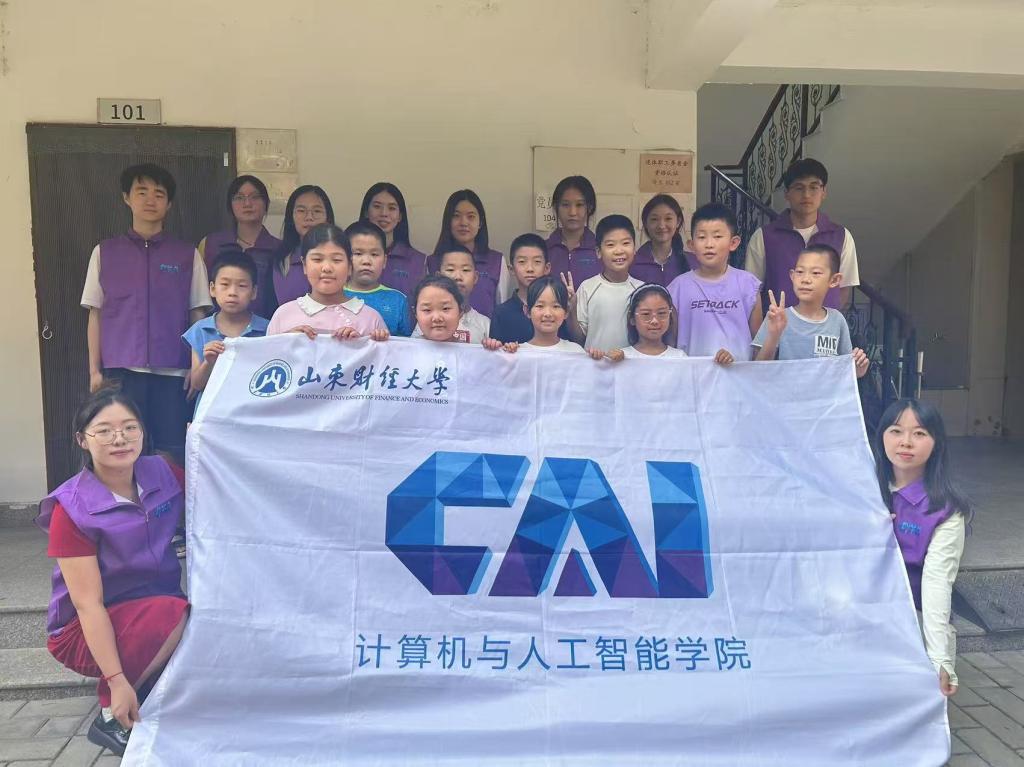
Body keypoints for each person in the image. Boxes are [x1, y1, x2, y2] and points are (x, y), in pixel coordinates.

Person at [37, 387, 189, 757]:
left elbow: (218, 494)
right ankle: (110, 713)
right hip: (82, 629)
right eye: (104, 431)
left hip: (154, 608)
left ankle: (142, 692)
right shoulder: (71, 510)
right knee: (175, 615)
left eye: (129, 427)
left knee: (192, 618)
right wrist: (116, 681)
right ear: (82, 440)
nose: (119, 438)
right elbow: (88, 605)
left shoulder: (164, 472)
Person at [80, 163, 211, 464]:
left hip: (174, 372)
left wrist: (196, 366)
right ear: (126, 198)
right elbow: (95, 314)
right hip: (121, 372)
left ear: (169, 204)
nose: (150, 200)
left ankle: (167, 497)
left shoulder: (187, 254)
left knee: (171, 450)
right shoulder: (105, 252)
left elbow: (198, 315)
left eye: (159, 194)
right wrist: (94, 371)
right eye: (141, 192)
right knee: (123, 447)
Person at [874, 398, 971, 697]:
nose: (906, 442)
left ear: (936, 442)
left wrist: (940, 658)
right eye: (896, 431)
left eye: (919, 433)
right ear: (881, 436)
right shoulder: (862, 491)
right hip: (862, 617)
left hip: (913, 620)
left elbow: (936, 583)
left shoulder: (944, 509)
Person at [744, 158, 860, 309]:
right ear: (787, 193)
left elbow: (844, 287)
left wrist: (827, 318)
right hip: (778, 323)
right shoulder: (763, 237)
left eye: (814, 187)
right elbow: (752, 291)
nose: (806, 194)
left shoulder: (841, 236)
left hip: (824, 323)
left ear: (823, 192)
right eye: (799, 188)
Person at [752, 244, 870, 377]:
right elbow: (757, 371)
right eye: (800, 272)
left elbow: (844, 370)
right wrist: (774, 335)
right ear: (792, 276)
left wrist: (858, 370)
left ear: (834, 280)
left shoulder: (837, 320)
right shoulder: (777, 317)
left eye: (816, 273)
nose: (805, 280)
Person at [667, 203, 761, 361]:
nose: (709, 244)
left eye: (717, 237)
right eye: (701, 237)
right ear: (691, 245)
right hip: (693, 373)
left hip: (738, 373)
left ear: (733, 243)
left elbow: (758, 344)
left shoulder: (748, 285)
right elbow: (670, 344)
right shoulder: (677, 288)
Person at [267, 224, 388, 340]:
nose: (327, 268)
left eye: (336, 260)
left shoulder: (371, 319)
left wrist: (362, 344)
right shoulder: (283, 315)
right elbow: (269, 353)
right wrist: (286, 341)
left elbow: (383, 353)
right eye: (317, 259)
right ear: (304, 265)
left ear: (350, 266)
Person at [182, 250, 270, 409]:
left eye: (242, 286)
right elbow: (196, 384)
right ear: (212, 289)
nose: (232, 293)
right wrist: (209, 362)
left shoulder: (267, 330)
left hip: (254, 412)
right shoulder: (200, 330)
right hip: (212, 415)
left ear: (254, 292)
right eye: (225, 284)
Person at [197, 175, 281, 318]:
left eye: (255, 197)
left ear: (266, 204)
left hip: (266, 327)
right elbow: (200, 296)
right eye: (239, 198)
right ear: (230, 205)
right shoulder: (210, 244)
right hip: (218, 327)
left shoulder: (279, 249)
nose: (247, 203)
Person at [483, 276, 615, 360]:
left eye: (556, 306)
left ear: (566, 312)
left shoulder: (576, 352)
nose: (548, 313)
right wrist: (499, 353)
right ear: (527, 311)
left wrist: (597, 361)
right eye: (540, 306)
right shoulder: (517, 352)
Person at [567, 214, 643, 354]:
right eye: (610, 245)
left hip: (630, 365)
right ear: (598, 252)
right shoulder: (587, 288)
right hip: (594, 364)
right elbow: (578, 339)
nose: (619, 251)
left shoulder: (641, 290)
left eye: (626, 243)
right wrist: (571, 310)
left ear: (634, 249)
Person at [429, 190, 509, 317]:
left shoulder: (497, 261)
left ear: (480, 222)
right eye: (456, 216)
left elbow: (502, 308)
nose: (463, 223)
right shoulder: (431, 262)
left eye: (471, 216)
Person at [489, 233, 562, 344]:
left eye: (537, 262)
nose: (530, 269)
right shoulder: (501, 313)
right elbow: (496, 352)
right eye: (522, 262)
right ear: (512, 269)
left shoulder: (556, 310)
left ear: (547, 268)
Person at [344, 220, 413, 337]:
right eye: (358, 253)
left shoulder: (397, 300)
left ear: (385, 261)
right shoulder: (332, 295)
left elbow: (405, 344)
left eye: (374, 254)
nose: (366, 261)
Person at [359, 182, 427, 299]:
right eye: (377, 206)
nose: (384, 213)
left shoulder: (418, 261)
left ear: (400, 216)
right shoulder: (348, 255)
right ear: (366, 212)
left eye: (392, 208)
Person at [271, 185, 335, 310]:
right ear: (291, 217)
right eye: (301, 211)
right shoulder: (281, 260)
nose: (309, 217)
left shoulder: (340, 258)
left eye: (317, 211)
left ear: (327, 218)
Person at [413, 247, 490, 343]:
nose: (457, 277)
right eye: (450, 269)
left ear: (475, 277)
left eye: (465, 270)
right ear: (439, 276)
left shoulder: (485, 324)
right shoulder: (425, 323)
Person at [546, 176, 600, 286]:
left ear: (589, 207)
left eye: (579, 205)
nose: (572, 212)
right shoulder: (543, 249)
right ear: (556, 207)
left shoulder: (601, 250)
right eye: (565, 205)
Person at [631, 195, 695, 286]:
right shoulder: (632, 264)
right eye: (654, 219)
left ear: (678, 222)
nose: (661, 225)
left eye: (668, 219)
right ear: (645, 223)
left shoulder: (693, 262)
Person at [620, 284, 687, 359]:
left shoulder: (679, 357)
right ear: (632, 319)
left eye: (661, 313)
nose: (654, 321)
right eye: (646, 314)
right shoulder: (622, 357)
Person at [411, 274, 471, 343]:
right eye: (427, 310)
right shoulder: (407, 348)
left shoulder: (469, 349)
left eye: (445, 308)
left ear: (460, 312)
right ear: (415, 313)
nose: (437, 318)